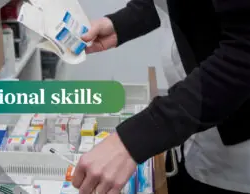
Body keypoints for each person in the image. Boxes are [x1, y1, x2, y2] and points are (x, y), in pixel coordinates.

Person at [71, 0, 250, 194]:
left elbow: (243, 56)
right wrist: (123, 23)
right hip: (196, 126)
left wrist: (135, 139)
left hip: (237, 152)